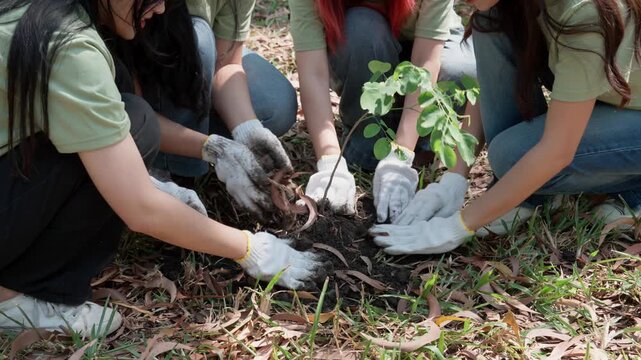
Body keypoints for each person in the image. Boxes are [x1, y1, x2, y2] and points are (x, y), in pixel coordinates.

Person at [0, 0, 321, 338]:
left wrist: (215, 146)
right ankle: (17, 298)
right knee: (135, 126)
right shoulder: (71, 47)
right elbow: (140, 208)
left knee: (135, 121)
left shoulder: (46, 14)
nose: (163, 8)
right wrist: (249, 248)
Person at [370, 0, 641, 254]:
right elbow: (493, 83)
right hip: (610, 100)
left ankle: (634, 191)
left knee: (512, 156)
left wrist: (458, 226)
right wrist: (453, 178)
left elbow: (557, 150)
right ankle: (534, 193)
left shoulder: (582, 10)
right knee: (492, 22)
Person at [289, 0, 481, 222]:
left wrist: (401, 155)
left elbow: (425, 62)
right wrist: (329, 160)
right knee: (361, 30)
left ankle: (419, 145)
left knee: (461, 71)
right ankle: (366, 148)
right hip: (363, 43)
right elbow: (313, 71)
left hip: (431, 48)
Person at [110, 0, 298, 219]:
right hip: (143, 74)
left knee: (273, 106)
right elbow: (133, 107)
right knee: (197, 40)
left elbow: (226, 62)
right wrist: (209, 148)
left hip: (195, 62)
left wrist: (247, 129)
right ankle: (165, 168)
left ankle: (193, 141)